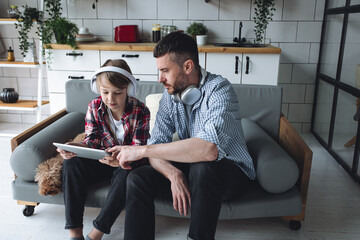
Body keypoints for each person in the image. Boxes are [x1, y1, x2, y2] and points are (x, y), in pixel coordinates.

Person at [109, 32, 256, 240]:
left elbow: (208, 149)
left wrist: (141, 150)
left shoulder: (220, 90)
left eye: (165, 71)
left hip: (230, 173)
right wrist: (173, 174)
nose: (160, 79)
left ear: (187, 67)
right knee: (137, 178)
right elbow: (156, 146)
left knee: (203, 167)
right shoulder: (170, 97)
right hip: (194, 169)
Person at [58, 59, 150, 240]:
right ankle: (75, 233)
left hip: (127, 164)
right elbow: (92, 140)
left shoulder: (141, 111)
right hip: (101, 161)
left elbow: (140, 149)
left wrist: (122, 159)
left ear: (129, 90)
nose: (110, 99)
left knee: (126, 174)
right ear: (98, 89)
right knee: (71, 164)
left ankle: (96, 233)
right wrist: (76, 147)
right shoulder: (94, 106)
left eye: (118, 93)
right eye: (105, 92)